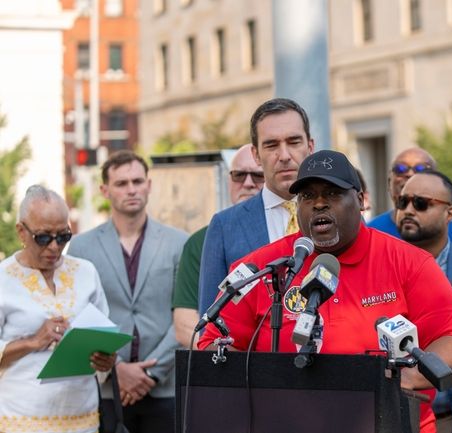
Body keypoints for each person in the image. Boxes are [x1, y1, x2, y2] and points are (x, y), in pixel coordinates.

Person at [199, 150, 452, 433]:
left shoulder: (410, 263)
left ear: (361, 200)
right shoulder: (263, 268)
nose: (318, 204)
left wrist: (406, 378)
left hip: (388, 422)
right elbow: (213, 342)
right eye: (307, 196)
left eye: (332, 193)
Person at [68, 151, 188, 433]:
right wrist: (116, 367)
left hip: (165, 385)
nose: (131, 189)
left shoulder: (179, 242)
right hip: (109, 389)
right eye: (122, 183)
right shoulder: (81, 248)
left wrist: (149, 373)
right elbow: (80, 316)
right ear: (105, 190)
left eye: (137, 181)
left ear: (149, 184)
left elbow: (185, 315)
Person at [0, 186, 116, 433]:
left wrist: (106, 359)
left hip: (82, 416)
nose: (54, 246)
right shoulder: (3, 279)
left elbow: (106, 335)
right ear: (21, 231)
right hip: (21, 419)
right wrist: (33, 341)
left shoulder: (86, 272)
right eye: (43, 237)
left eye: (63, 236)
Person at [198, 98, 315, 313]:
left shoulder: (336, 218)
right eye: (271, 145)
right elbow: (209, 318)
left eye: (294, 142)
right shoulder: (225, 227)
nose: (284, 156)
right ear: (256, 155)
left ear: (310, 147)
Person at [172, 144, 263, 347]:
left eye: (258, 176)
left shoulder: (289, 232)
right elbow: (185, 324)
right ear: (229, 180)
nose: (248, 183)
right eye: (239, 175)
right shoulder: (200, 241)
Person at [395, 170, 452, 430]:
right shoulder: (382, 264)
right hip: (392, 413)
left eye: (421, 203)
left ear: (450, 214)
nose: (409, 210)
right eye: (403, 202)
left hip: (451, 417)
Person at [367, 148, 452, 244]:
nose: (409, 174)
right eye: (400, 169)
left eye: (421, 169)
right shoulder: (370, 232)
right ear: (389, 183)